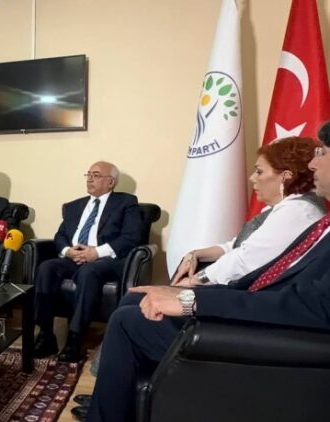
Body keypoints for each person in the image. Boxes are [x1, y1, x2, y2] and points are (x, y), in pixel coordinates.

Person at [84, 123, 330, 422]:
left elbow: (258, 271)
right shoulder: (309, 220)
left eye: (323, 153)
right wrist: (196, 265)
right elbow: (244, 253)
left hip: (263, 335)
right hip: (255, 311)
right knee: (135, 301)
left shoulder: (301, 211)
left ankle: (108, 405)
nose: (313, 164)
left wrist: (193, 294)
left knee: (128, 317)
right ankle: (113, 396)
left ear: (285, 176)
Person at [171, 137, 324, 287]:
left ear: (286, 177)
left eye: (259, 172)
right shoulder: (288, 207)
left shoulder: (297, 212)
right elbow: (239, 245)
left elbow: (244, 261)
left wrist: (193, 281)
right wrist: (195, 254)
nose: (252, 178)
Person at [33, 161, 142, 363]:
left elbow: (131, 237)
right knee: (46, 268)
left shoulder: (126, 203)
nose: (90, 179)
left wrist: (96, 253)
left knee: (88, 272)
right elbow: (60, 236)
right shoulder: (74, 206)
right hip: (74, 256)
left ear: (111, 182)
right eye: (88, 174)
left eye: (96, 175)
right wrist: (68, 251)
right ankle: (46, 335)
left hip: (105, 260)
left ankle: (75, 339)